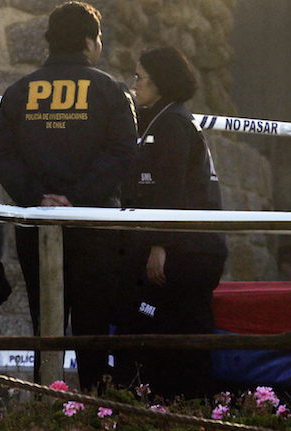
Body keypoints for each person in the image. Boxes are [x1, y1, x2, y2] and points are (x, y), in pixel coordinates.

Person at [0, 1, 137, 390]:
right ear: (90, 41)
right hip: (95, 226)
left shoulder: (19, 91)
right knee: (93, 326)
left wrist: (38, 198)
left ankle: (46, 403)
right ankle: (95, 407)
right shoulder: (110, 90)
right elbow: (123, 152)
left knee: (45, 325)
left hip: (36, 225)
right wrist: (80, 198)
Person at [116, 46, 228, 400]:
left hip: (186, 253)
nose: (134, 85)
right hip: (179, 248)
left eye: (140, 77)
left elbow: (171, 190)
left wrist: (159, 245)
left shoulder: (173, 124)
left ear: (160, 82)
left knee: (180, 340)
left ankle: (191, 409)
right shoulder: (161, 119)